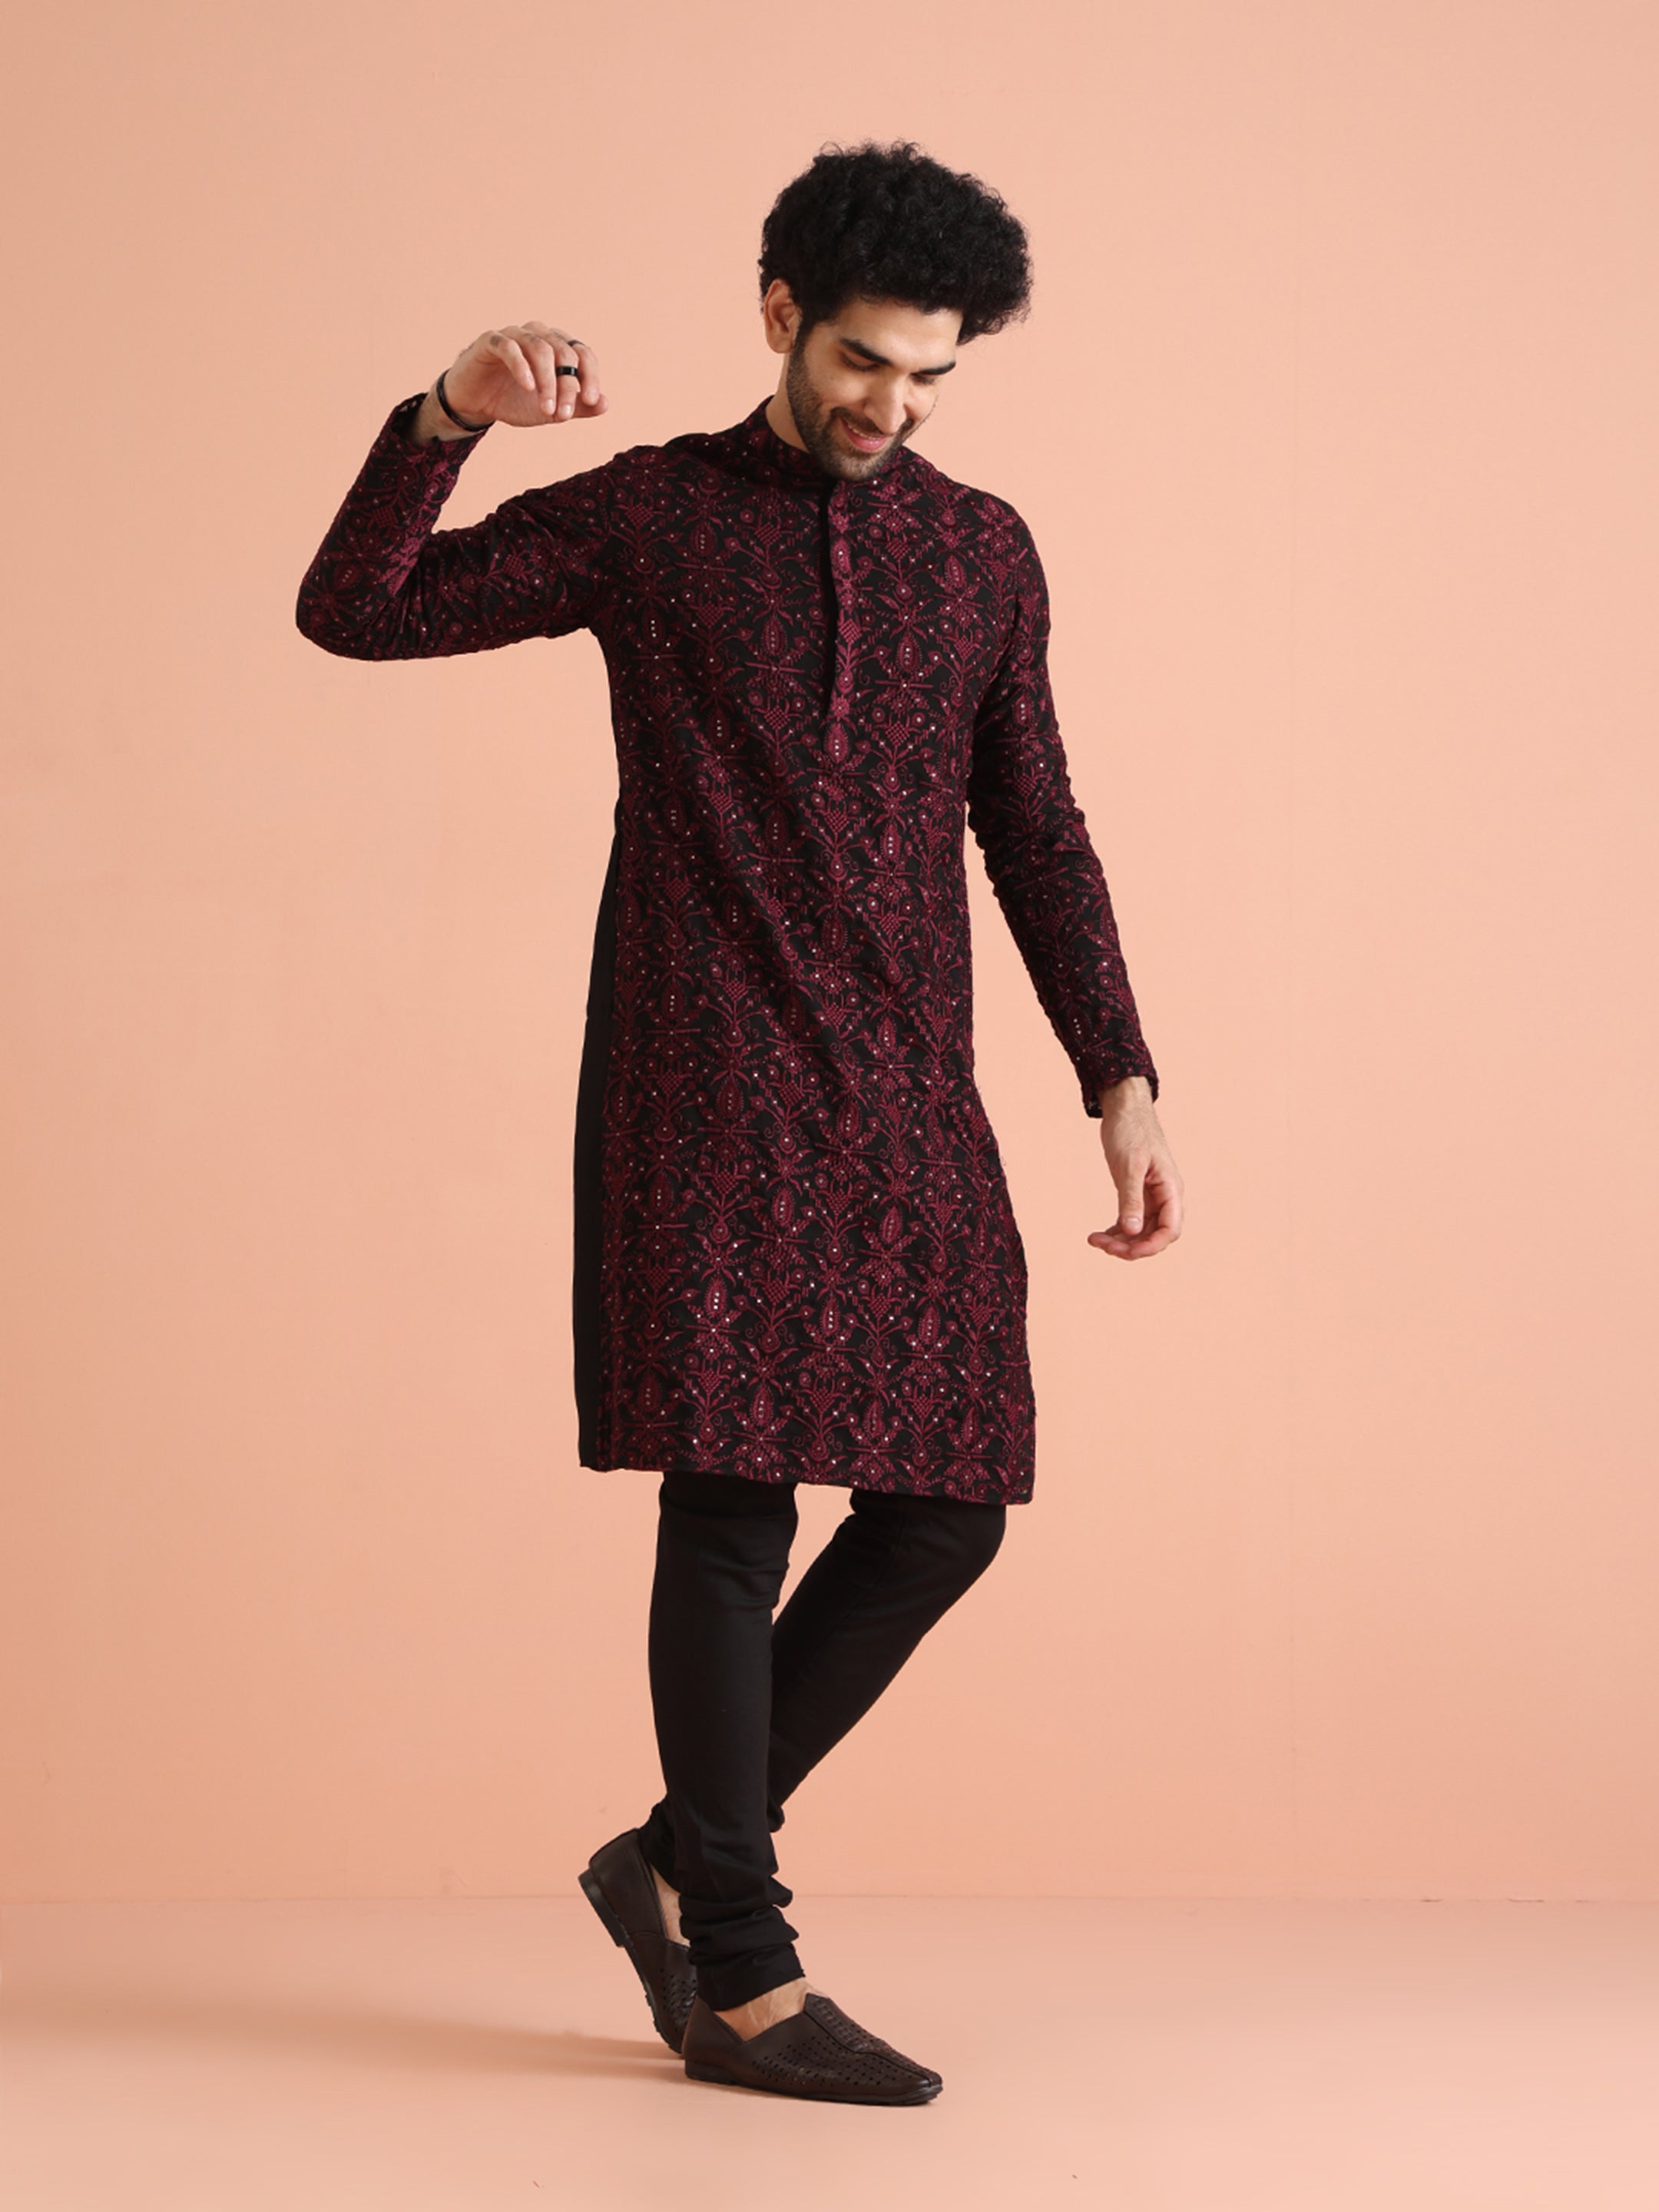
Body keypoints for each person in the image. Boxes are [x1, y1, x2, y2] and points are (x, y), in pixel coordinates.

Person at [296, 139, 1183, 2106]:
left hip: (907, 1085)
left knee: (947, 1505)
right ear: (780, 313)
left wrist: (1117, 1073)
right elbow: (357, 608)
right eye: (864, 360)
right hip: (701, 1077)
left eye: (932, 376)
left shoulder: (983, 552)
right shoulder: (651, 519)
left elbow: (1035, 822)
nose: (893, 406)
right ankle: (748, 1970)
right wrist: (447, 417)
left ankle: (671, 1866)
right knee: (733, 1503)